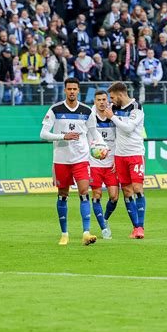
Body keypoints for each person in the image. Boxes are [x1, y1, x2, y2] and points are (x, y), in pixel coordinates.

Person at [39, 77, 107, 246]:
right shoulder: (55, 109)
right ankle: (64, 233)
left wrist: (102, 146)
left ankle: (86, 232)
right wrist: (63, 136)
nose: (72, 92)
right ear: (65, 90)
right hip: (61, 160)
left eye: (74, 89)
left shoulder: (86, 111)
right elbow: (43, 134)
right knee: (63, 195)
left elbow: (94, 133)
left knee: (84, 192)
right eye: (69, 89)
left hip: (81, 158)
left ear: (78, 90)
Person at [102, 82, 146, 239]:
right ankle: (135, 228)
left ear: (120, 95)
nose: (111, 101)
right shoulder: (113, 108)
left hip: (135, 154)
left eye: (112, 97)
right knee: (127, 191)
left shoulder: (136, 108)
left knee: (137, 188)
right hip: (119, 156)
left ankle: (141, 227)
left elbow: (128, 128)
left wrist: (112, 116)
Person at [89, 90, 120, 240]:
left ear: (107, 101)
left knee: (114, 197)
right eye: (99, 100)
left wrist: (117, 159)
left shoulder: (114, 117)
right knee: (97, 195)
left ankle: (105, 218)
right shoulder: (89, 117)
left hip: (111, 163)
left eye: (104, 99)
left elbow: (121, 138)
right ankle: (103, 228)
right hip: (94, 163)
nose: (102, 102)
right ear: (94, 101)